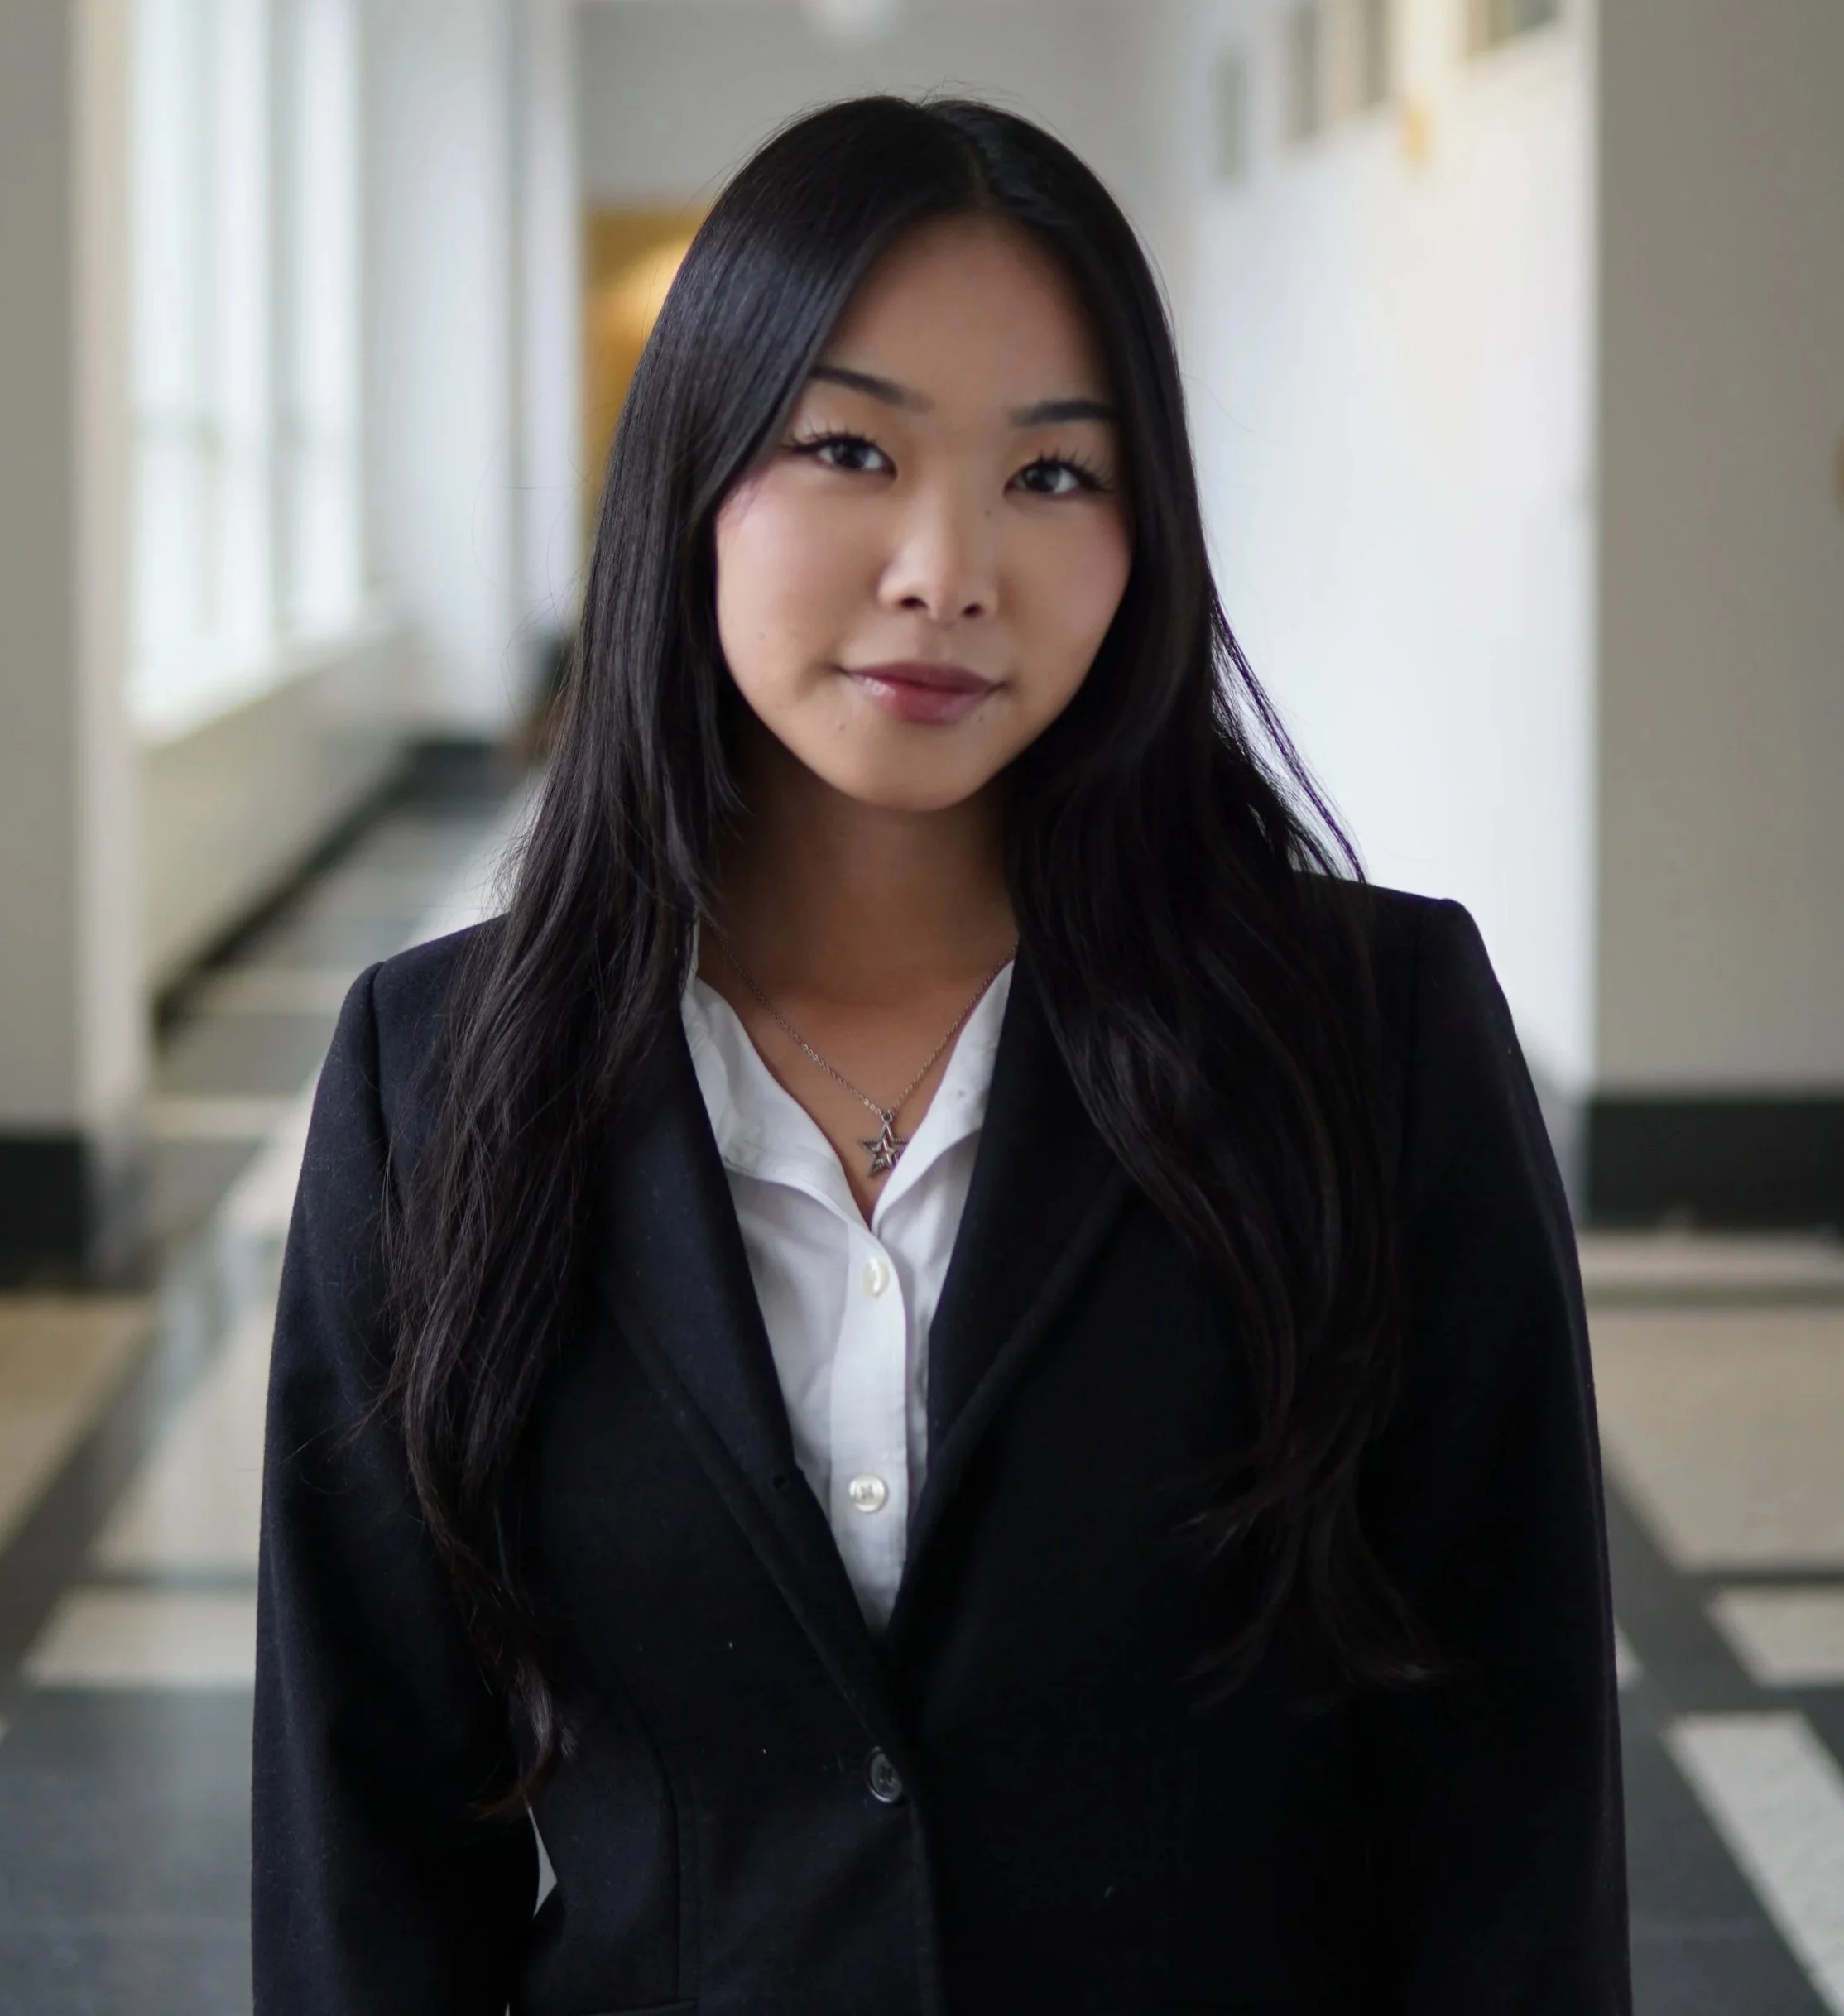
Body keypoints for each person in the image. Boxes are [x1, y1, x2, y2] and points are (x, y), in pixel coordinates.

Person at [253, 94, 1630, 2016]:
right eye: (850, 449)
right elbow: (366, 1841)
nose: (945, 567)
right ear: (693, 473)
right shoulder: (440, 1076)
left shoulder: (1371, 1039)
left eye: (1053, 474)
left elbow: (1510, 1808)